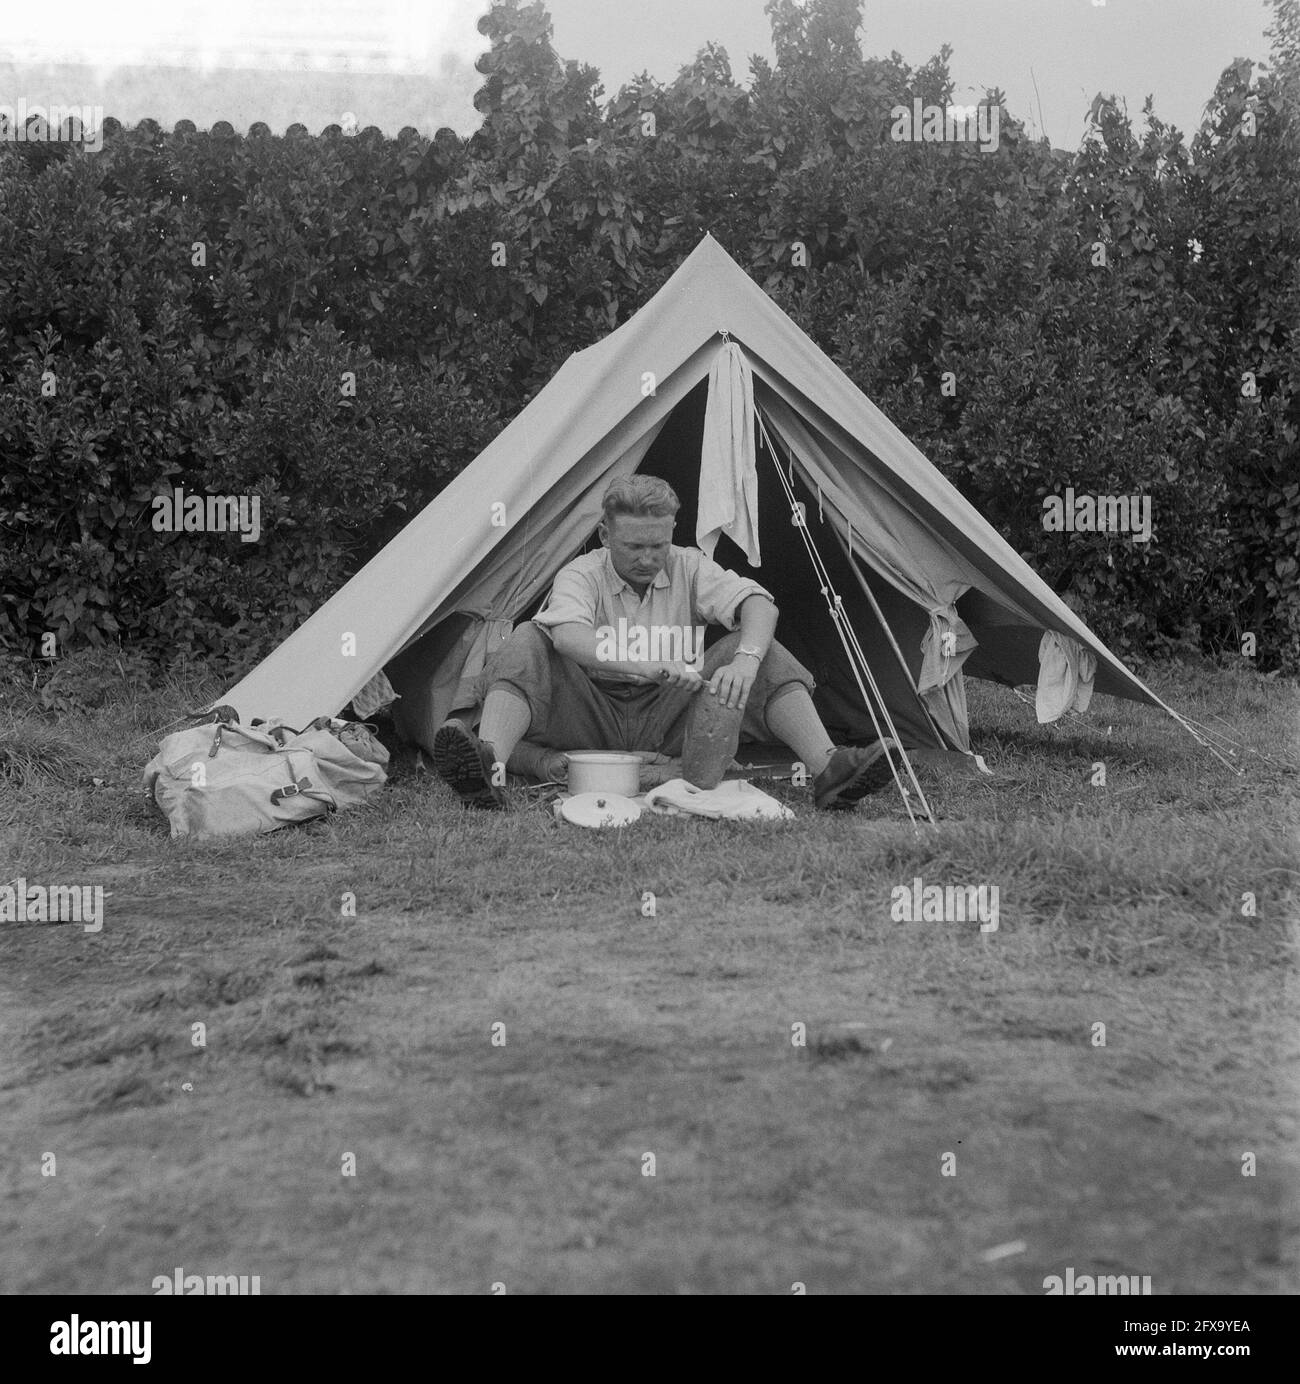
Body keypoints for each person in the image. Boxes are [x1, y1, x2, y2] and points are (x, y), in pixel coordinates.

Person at [432, 474, 897, 810]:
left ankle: (830, 771)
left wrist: (746, 662)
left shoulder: (689, 564)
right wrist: (646, 664)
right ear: (605, 535)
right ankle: (487, 773)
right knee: (527, 640)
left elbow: (759, 604)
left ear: (672, 531)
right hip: (587, 711)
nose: (648, 558)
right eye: (633, 546)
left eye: (657, 544)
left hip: (669, 714)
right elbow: (569, 637)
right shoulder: (582, 572)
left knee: (760, 648)